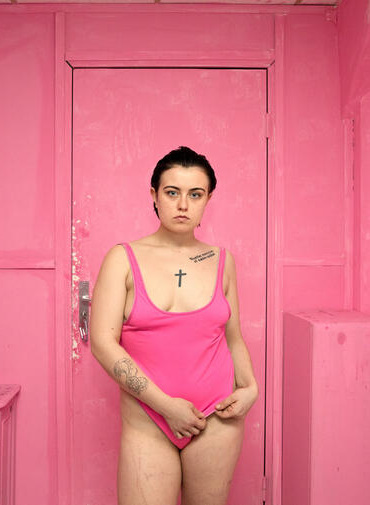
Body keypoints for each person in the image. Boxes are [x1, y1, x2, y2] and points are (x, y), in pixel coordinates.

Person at [89, 146, 258, 505]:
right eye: (172, 193)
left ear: (208, 199)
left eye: (195, 194)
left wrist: (251, 387)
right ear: (154, 195)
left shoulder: (222, 260)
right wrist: (167, 406)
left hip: (216, 418)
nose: (183, 205)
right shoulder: (122, 258)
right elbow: (103, 343)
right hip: (148, 419)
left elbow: (233, 339)